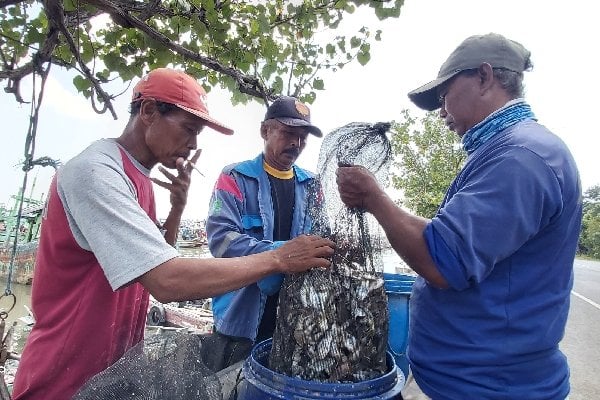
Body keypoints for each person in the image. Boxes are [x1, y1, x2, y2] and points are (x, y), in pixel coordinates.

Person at [12, 69, 334, 400]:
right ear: (149, 111)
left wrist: (177, 210)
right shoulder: (96, 172)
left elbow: (151, 260)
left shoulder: (139, 179)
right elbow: (166, 281)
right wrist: (281, 257)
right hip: (64, 380)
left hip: (111, 373)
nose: (194, 143)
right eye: (189, 129)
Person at [336, 33, 582, 400]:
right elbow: (451, 239)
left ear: (484, 77)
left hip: (493, 389)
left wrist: (374, 198)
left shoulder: (520, 157)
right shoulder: (505, 150)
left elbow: (442, 260)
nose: (441, 110)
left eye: (443, 95)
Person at [204, 95, 323, 371]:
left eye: (303, 137)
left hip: (294, 323)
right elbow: (221, 241)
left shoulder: (313, 186)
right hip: (238, 322)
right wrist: (282, 254)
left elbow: (320, 240)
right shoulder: (234, 177)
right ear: (265, 131)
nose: (296, 143)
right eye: (288, 133)